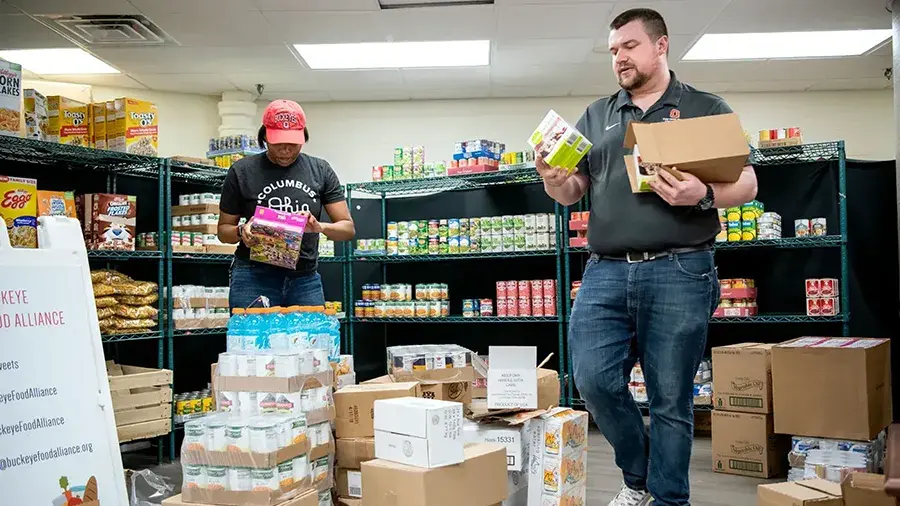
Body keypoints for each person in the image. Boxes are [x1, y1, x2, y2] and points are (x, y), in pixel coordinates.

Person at [536, 8, 758, 506]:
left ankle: (666, 497)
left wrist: (701, 194)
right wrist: (554, 179)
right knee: (591, 379)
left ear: (660, 46)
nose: (619, 58)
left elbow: (747, 182)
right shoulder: (596, 114)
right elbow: (574, 191)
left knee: (670, 399)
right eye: (614, 50)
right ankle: (638, 475)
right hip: (605, 271)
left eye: (629, 46)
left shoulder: (703, 106)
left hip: (681, 268)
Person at [217, 99, 355, 309]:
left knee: (310, 341)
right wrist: (241, 231)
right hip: (253, 276)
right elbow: (223, 231)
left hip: (304, 279)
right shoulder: (242, 171)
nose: (286, 150)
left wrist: (320, 227)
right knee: (253, 341)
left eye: (293, 143)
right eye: (278, 142)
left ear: (304, 136)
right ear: (264, 136)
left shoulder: (320, 170)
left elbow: (347, 228)